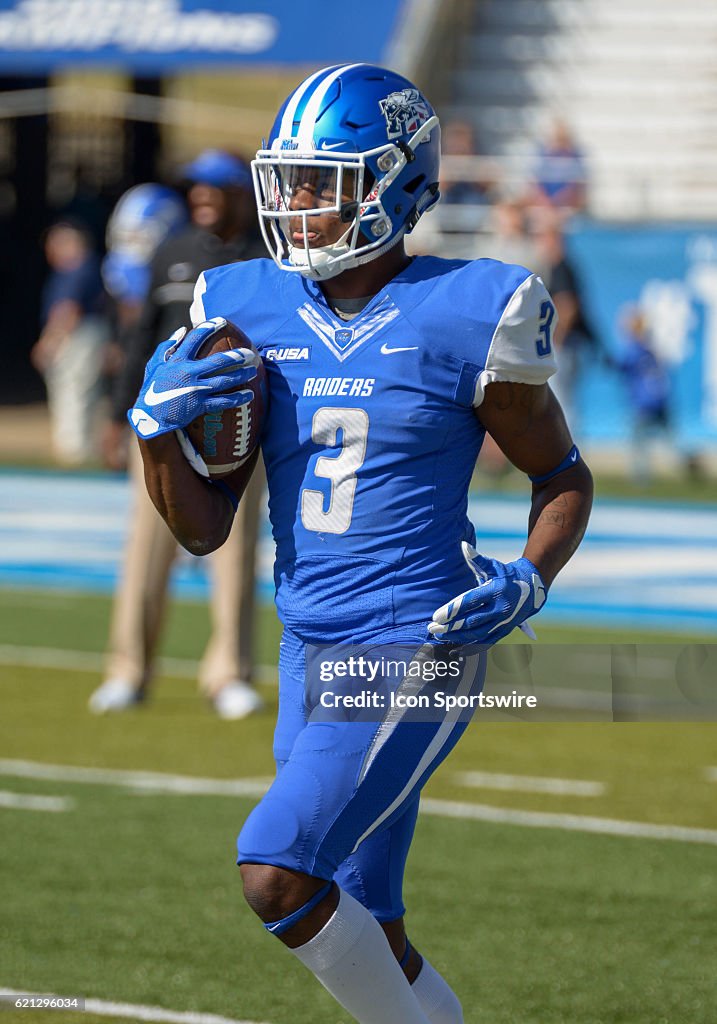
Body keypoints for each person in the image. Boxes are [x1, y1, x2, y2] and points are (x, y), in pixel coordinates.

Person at [127, 65, 593, 1023]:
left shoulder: (469, 309)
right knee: (367, 916)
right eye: (287, 180)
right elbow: (204, 532)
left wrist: (529, 581)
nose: (294, 205)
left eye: (319, 183)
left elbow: (563, 477)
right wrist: (154, 439)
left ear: (398, 185)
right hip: (308, 641)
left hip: (416, 639)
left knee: (275, 871)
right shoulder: (242, 306)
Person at [89, 152, 266, 720]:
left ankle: (228, 674)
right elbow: (142, 336)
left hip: (236, 429)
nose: (202, 196)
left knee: (234, 553)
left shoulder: (271, 260)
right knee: (145, 549)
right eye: (196, 188)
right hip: (165, 429)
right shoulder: (174, 250)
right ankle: (127, 670)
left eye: (216, 187)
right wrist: (118, 415)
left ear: (244, 192)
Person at [31, 220, 109, 465]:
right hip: (83, 334)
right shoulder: (84, 267)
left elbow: (68, 310)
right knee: (77, 391)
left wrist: (50, 341)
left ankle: (74, 450)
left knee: (73, 390)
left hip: (77, 335)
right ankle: (75, 447)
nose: (51, 249)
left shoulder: (77, 268)